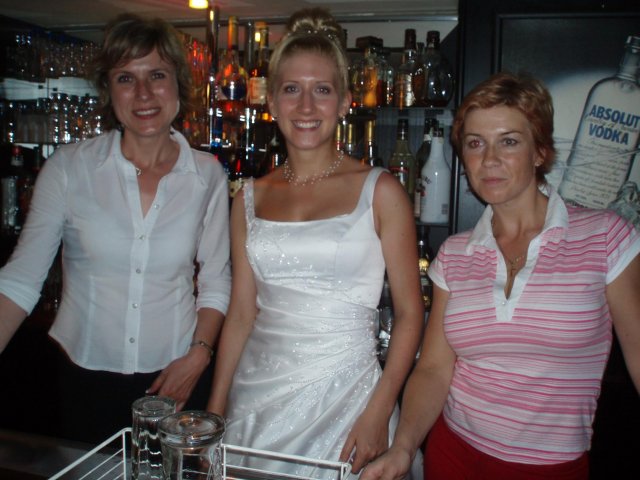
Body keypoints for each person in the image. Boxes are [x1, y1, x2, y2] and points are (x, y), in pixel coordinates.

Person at [361, 72, 640, 480]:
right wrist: (403, 446)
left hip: (551, 468)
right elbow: (435, 368)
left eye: (508, 141)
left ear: (539, 151)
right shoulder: (454, 254)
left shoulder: (605, 236)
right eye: (475, 143)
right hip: (453, 456)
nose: (489, 159)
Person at [206, 7, 424, 478]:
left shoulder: (381, 191)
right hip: (255, 404)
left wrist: (379, 410)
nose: (306, 106)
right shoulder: (247, 198)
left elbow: (410, 314)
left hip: (349, 405)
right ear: (272, 101)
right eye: (292, 89)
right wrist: (216, 412)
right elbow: (241, 313)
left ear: (345, 102)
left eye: (322, 90)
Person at [0, 14, 231, 443]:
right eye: (126, 78)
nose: (143, 93)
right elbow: (21, 280)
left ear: (178, 84)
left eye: (157, 75)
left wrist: (199, 356)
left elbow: (216, 281)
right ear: (109, 90)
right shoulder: (69, 168)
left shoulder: (207, 176)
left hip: (177, 378)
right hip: (86, 379)